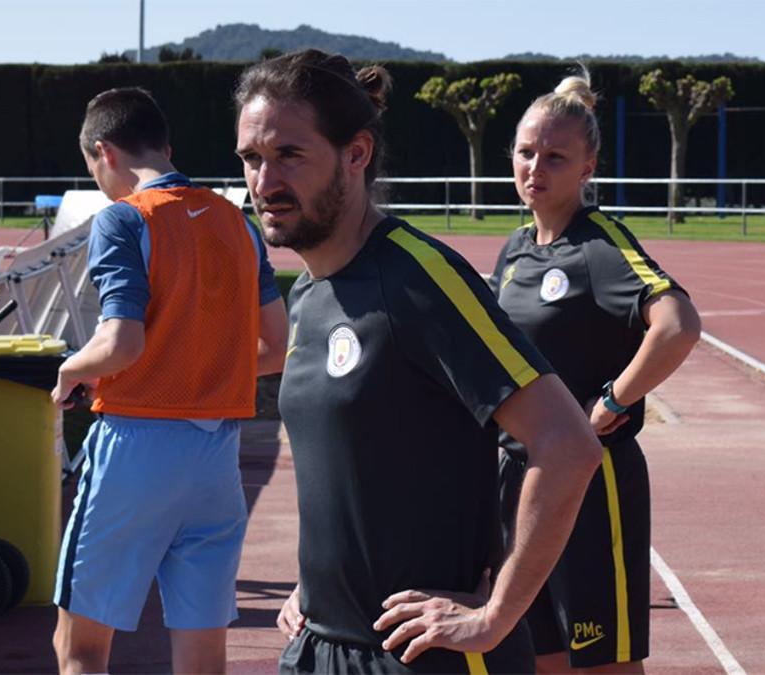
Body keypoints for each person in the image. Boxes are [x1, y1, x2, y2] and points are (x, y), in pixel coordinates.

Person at [234, 49, 601, 674]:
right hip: (323, 645)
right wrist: (317, 588)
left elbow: (568, 443)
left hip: (424, 657)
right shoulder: (313, 296)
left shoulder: (417, 279)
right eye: (252, 158)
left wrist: (494, 617)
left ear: (356, 154)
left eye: (290, 155)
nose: (265, 182)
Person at [49, 87, 289, 675]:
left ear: (103, 151)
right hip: (216, 455)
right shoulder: (237, 223)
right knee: (202, 656)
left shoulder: (123, 218)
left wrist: (69, 369)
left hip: (135, 449)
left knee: (80, 650)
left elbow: (120, 344)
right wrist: (197, 366)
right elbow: (278, 347)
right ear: (166, 147)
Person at [488, 70, 702, 673]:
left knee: (604, 664)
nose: (536, 168)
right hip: (520, 484)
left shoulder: (600, 246)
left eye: (555, 157)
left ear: (588, 167)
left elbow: (679, 325)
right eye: (526, 153)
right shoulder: (515, 249)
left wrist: (611, 402)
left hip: (592, 486)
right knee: (539, 656)